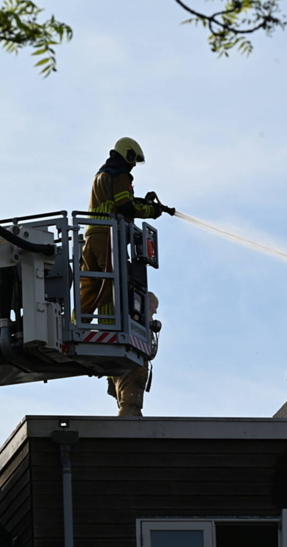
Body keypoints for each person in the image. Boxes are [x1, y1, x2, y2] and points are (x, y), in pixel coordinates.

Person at [80, 137, 164, 416]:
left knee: (90, 288)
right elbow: (125, 207)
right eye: (133, 161)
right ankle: (110, 329)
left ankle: (74, 327)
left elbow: (119, 202)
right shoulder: (120, 175)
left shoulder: (102, 174)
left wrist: (146, 204)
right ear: (128, 155)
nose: (133, 169)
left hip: (92, 234)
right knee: (110, 288)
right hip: (109, 236)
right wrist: (152, 211)